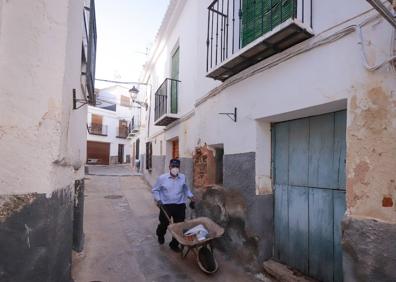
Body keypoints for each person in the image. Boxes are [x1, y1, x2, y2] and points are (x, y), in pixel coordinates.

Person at [152, 159, 195, 252]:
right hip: (166, 205)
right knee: (164, 223)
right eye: (173, 166)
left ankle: (174, 244)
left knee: (179, 226)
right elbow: (155, 190)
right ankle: (160, 235)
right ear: (169, 167)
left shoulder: (183, 177)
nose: (175, 169)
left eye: (177, 167)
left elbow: (186, 189)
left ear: (179, 168)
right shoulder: (162, 178)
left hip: (180, 205)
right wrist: (158, 199)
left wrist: (191, 196)